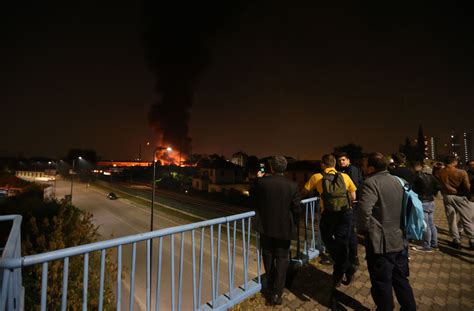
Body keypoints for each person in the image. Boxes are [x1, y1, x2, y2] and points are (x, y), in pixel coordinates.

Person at [356, 152, 416, 311]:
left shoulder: (370, 183)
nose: (362, 168)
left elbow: (363, 211)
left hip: (381, 242)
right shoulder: (400, 181)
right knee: (400, 278)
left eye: (364, 165)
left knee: (382, 281)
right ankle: (410, 307)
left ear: (370, 167)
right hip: (400, 238)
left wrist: (363, 229)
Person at [251, 156, 300, 305]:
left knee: (267, 256)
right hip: (284, 228)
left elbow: (252, 197)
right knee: (282, 259)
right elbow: (297, 209)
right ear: (285, 169)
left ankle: (269, 287)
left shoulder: (262, 183)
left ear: (271, 168)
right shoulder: (293, 185)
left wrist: (256, 179)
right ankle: (277, 293)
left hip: (265, 226)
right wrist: (293, 221)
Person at [302, 154, 357, 287]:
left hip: (328, 214)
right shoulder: (345, 176)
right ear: (335, 164)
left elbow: (303, 192)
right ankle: (347, 268)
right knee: (343, 241)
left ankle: (343, 268)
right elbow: (353, 195)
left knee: (328, 239)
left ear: (323, 164)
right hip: (345, 213)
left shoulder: (317, 176)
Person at [437, 155, 474, 250]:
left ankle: (456, 240)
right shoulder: (461, 172)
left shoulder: (440, 172)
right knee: (466, 219)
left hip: (447, 196)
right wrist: (470, 197)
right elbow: (467, 186)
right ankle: (472, 240)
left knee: (451, 219)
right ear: (454, 162)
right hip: (460, 197)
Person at [335, 152, 363, 276]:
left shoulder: (352, 170)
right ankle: (350, 257)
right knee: (348, 231)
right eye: (339, 160)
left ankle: (353, 257)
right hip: (346, 204)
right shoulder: (340, 170)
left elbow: (354, 185)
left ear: (348, 160)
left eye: (343, 160)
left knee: (350, 231)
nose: (341, 162)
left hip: (352, 203)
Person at [411, 162, 442, 252]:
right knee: (431, 224)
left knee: (425, 225)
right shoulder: (432, 177)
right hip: (431, 201)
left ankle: (426, 245)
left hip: (422, 202)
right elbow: (439, 186)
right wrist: (433, 192)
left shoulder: (417, 177)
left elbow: (413, 189)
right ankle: (434, 244)